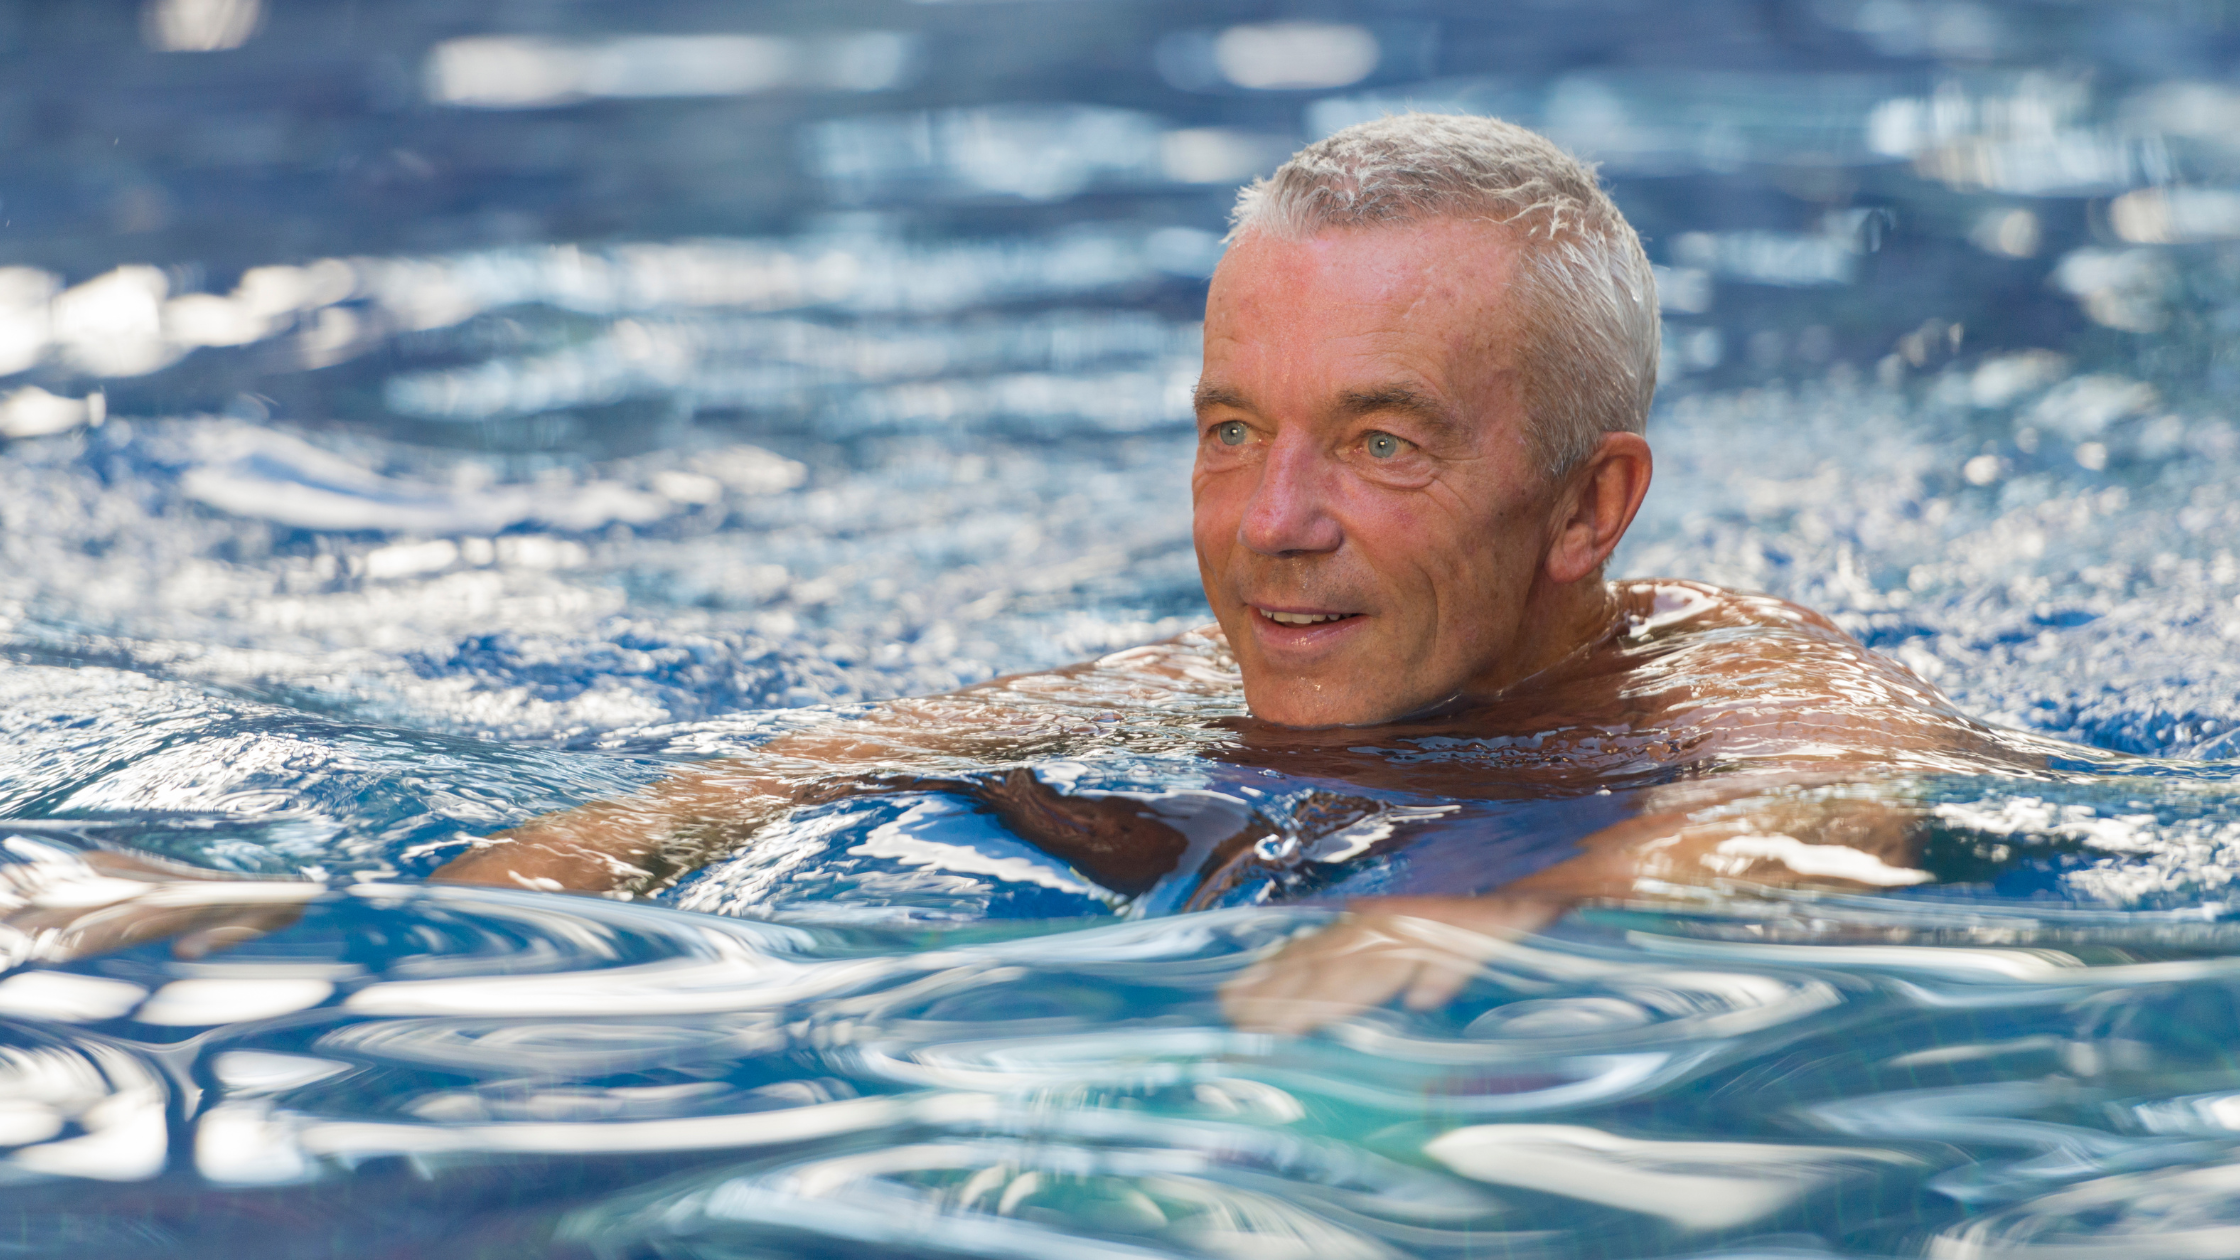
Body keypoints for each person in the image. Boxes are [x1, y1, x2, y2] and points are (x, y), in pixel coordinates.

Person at [3, 115, 2070, 1031]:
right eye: (1228, 427)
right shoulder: (1141, 715)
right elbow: (694, 812)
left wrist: (1513, 923)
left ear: (1586, 508)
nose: (1268, 527)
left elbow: (1811, 824)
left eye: (1378, 441)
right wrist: (322, 926)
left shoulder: (1736, 685)